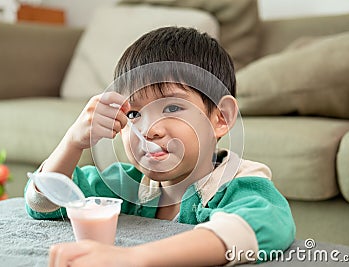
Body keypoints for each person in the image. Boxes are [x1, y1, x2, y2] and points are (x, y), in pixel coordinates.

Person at [25, 26, 295, 266]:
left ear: (221, 118)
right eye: (134, 114)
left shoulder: (241, 184)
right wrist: (73, 141)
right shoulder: (124, 186)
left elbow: (255, 228)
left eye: (173, 107)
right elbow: (43, 202)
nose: (148, 130)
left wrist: (132, 258)